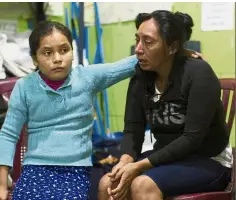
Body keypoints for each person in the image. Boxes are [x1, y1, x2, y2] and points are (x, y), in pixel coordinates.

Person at [0, 20, 202, 200]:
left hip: (75, 170)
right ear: (34, 59)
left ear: (73, 51)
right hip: (35, 169)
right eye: (47, 53)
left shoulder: (86, 77)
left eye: (64, 50)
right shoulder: (25, 87)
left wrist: (175, 52)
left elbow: (128, 64)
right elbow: (8, 134)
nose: (57, 58)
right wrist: (1, 184)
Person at [98, 10, 233, 200]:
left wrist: (139, 166)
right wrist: (126, 159)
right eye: (137, 39)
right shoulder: (141, 77)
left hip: (208, 159)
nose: (138, 48)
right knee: (108, 184)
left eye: (148, 41)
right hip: (166, 156)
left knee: (142, 185)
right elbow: (133, 129)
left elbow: (191, 139)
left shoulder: (198, 73)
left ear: (172, 47)